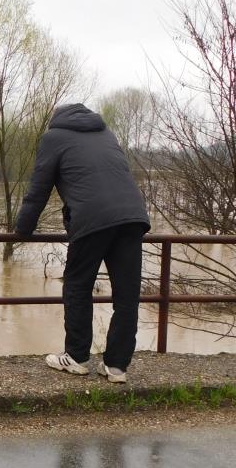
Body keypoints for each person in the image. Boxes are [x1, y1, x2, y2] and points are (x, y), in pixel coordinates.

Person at [13, 103, 150, 384]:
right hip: (133, 216)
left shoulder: (54, 137)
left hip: (92, 218)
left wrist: (22, 231)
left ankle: (75, 357)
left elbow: (39, 189)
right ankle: (117, 367)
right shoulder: (107, 134)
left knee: (77, 286)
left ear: (56, 119)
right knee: (127, 296)